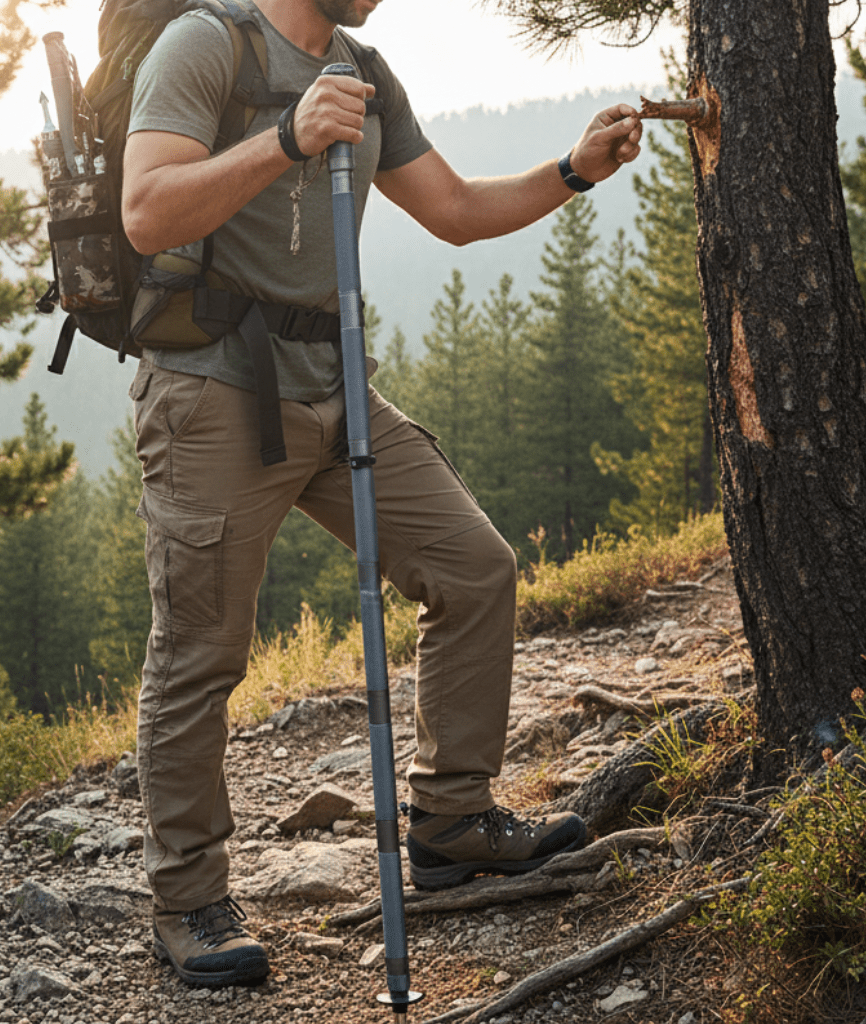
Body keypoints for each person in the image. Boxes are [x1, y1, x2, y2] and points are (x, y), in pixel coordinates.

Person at [121, 0, 643, 992]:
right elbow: (145, 212)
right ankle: (187, 900)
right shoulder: (204, 46)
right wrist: (285, 136)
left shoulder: (365, 67)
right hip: (215, 392)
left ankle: (451, 821)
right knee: (200, 652)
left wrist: (575, 169)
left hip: (333, 387)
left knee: (474, 567)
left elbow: (451, 210)